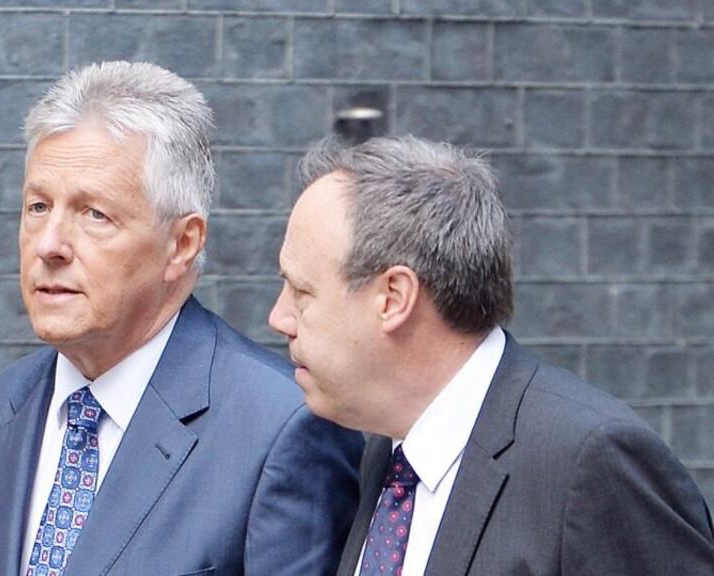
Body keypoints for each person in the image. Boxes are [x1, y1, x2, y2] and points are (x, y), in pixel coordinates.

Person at [0, 61, 363, 576]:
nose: (50, 244)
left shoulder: (283, 430)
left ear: (182, 244)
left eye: (94, 214)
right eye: (38, 207)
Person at [268, 135, 714, 576]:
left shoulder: (590, 462)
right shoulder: (389, 452)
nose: (279, 317)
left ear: (394, 297)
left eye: (302, 291)